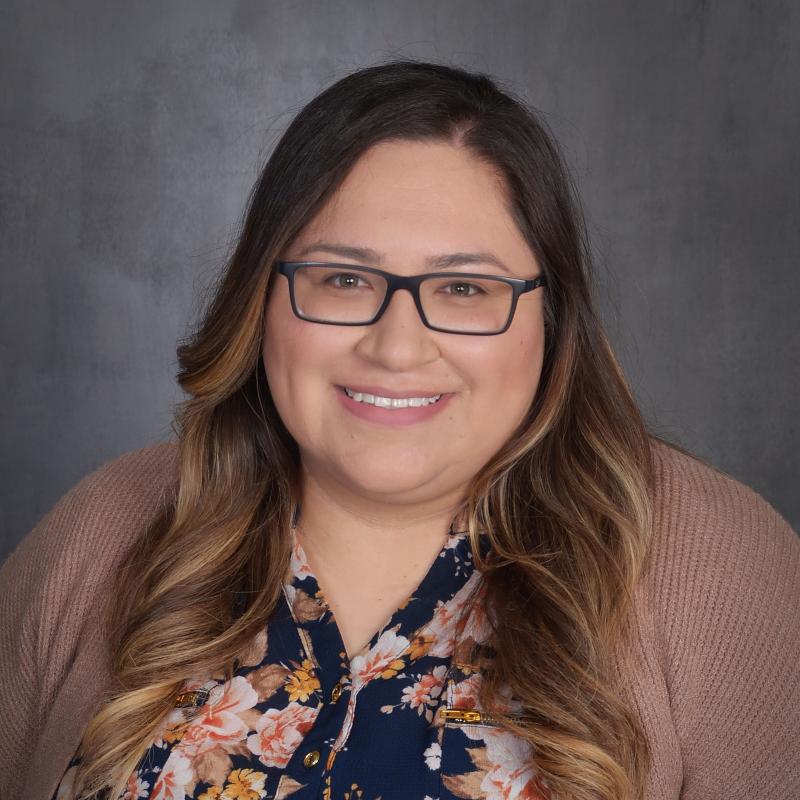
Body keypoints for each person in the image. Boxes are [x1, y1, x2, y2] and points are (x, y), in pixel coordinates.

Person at [1, 59, 797, 800]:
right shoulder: (108, 524)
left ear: (550, 318)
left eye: (462, 287)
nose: (396, 345)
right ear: (262, 300)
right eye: (344, 279)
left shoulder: (716, 563)